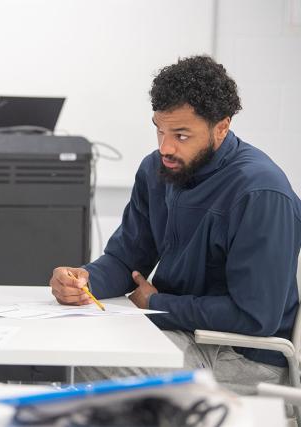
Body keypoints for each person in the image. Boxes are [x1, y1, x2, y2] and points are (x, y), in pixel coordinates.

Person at [49, 55, 301, 393]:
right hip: (179, 331)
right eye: (160, 129)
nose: (165, 147)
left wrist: (158, 304)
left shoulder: (261, 193)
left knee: (87, 361)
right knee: (70, 345)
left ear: (221, 128)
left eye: (181, 135)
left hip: (243, 358)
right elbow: (126, 259)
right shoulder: (157, 170)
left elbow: (256, 317)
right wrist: (84, 280)